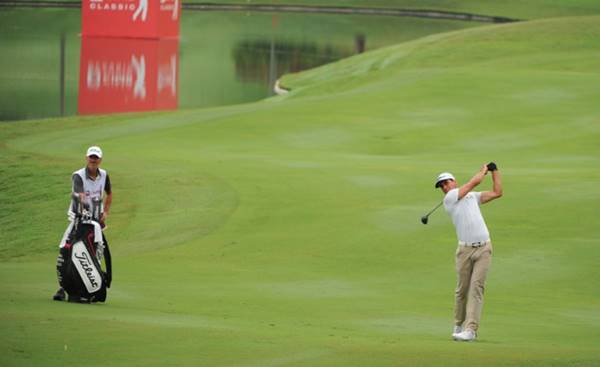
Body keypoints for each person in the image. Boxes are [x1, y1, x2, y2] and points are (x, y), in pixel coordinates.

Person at [434, 163, 502, 341]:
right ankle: (458, 324)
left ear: (454, 181)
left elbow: (497, 193)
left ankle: (470, 330)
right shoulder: (449, 199)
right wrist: (483, 170)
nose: (444, 187)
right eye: (441, 186)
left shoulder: (472, 197)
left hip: (484, 249)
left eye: (446, 183)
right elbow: (473, 183)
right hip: (464, 251)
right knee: (462, 290)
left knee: (476, 289)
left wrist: (495, 172)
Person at [53, 146, 112, 301]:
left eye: (96, 158)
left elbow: (109, 194)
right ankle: (64, 286)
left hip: (95, 223)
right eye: (91, 157)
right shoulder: (78, 176)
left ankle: (90, 286)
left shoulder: (104, 175)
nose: (93, 160)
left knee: (95, 252)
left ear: (100, 160)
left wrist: (105, 212)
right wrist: (86, 211)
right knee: (66, 250)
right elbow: (80, 196)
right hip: (78, 220)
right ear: (86, 158)